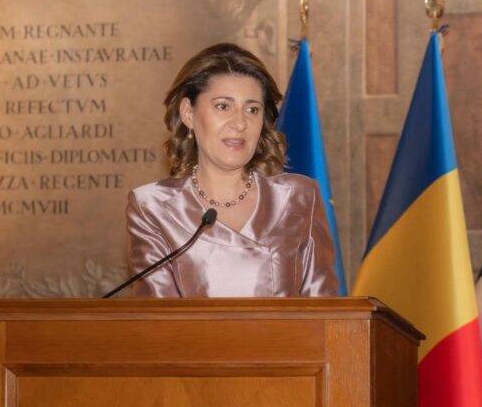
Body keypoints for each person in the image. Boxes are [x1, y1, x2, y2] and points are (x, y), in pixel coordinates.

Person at [126, 42, 338, 297]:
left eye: (252, 109)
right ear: (188, 113)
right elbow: (159, 317)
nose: (240, 123)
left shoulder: (299, 197)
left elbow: (324, 309)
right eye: (223, 106)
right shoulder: (152, 207)